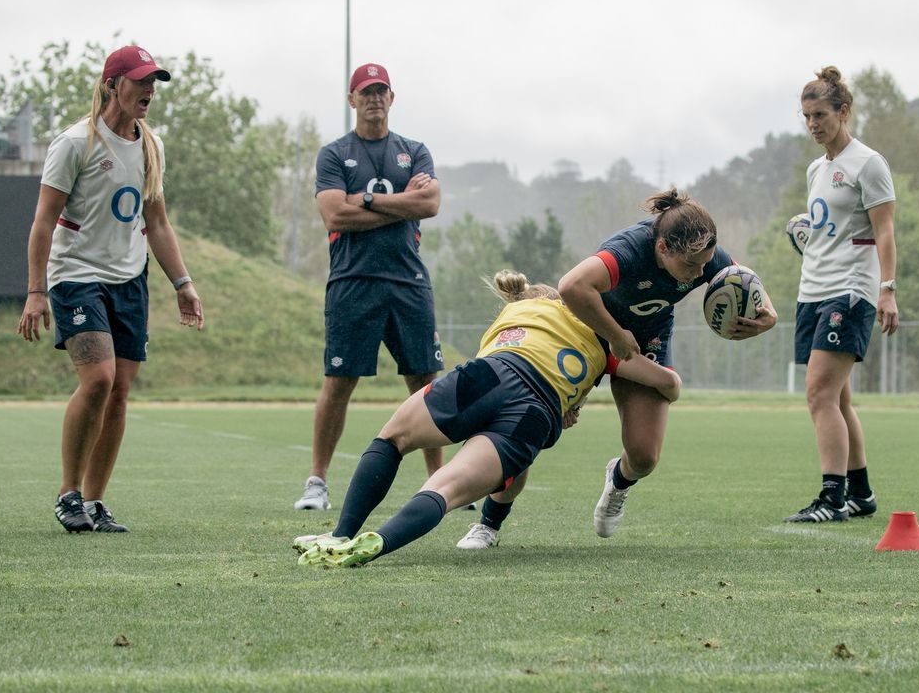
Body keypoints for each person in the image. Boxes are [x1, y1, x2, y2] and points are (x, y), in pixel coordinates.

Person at [455, 190, 778, 550]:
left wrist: (768, 314)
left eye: (705, 264)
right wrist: (615, 336)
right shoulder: (628, 250)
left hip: (647, 337)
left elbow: (742, 279)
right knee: (522, 428)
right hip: (584, 334)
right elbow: (571, 286)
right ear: (662, 249)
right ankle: (487, 525)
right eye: (692, 267)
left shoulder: (702, 255)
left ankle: (618, 480)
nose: (702, 273)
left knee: (644, 456)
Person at [294, 270, 681, 568]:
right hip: (535, 411)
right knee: (446, 491)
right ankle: (381, 542)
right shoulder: (601, 336)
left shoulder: (512, 314)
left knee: (392, 440)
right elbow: (667, 383)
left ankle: (341, 534)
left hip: (487, 376)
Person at [16, 45, 204, 534]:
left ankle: (95, 503)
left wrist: (182, 283)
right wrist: (36, 291)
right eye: (140, 81)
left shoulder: (150, 146)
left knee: (119, 390)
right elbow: (42, 222)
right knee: (98, 379)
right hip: (76, 273)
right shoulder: (75, 143)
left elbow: (157, 223)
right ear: (111, 85)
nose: (149, 91)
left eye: (154, 83)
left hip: (129, 278)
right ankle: (68, 493)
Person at [295, 62, 447, 513]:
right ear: (352, 100)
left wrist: (364, 198)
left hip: (407, 281)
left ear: (392, 98)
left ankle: (439, 481)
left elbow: (431, 203)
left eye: (381, 91)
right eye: (366, 92)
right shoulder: (334, 154)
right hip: (352, 282)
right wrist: (401, 204)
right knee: (339, 381)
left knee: (424, 382)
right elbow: (334, 216)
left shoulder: (414, 151)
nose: (374, 98)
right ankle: (317, 482)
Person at [784, 66, 898, 523]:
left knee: (818, 394)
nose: (813, 124)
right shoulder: (818, 168)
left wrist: (887, 290)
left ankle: (832, 498)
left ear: (844, 112)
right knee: (838, 398)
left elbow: (884, 230)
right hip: (812, 289)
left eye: (820, 115)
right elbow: (830, 226)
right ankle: (861, 493)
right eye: (806, 116)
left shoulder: (868, 163)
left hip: (849, 291)